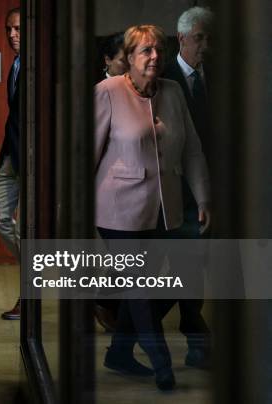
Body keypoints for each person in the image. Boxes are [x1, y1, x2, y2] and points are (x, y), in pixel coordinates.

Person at [94, 25, 211, 391]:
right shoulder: (108, 92)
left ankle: (119, 353)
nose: (154, 56)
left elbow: (191, 148)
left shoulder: (173, 92)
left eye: (158, 49)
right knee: (140, 289)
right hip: (118, 209)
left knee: (167, 283)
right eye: (145, 50)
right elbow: (87, 152)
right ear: (129, 58)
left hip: (165, 208)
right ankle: (162, 363)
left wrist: (203, 197)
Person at [162, 7, 214, 369]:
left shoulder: (224, 78)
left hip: (214, 186)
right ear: (181, 38)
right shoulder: (164, 80)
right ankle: (195, 333)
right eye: (199, 38)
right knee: (187, 265)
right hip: (176, 188)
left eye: (210, 38)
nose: (206, 46)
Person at [94, 31, 128, 333]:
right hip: (109, 189)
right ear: (108, 60)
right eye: (122, 60)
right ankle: (105, 302)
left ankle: (107, 303)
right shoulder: (100, 90)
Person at [0, 7, 22, 321]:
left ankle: (29, 297)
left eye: (17, 29)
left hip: (33, 159)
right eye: (8, 30)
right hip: (10, 156)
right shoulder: (15, 65)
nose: (12, 35)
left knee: (27, 233)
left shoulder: (43, 67)